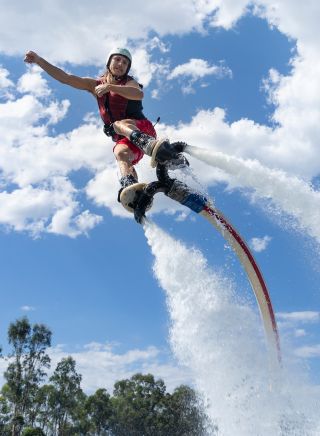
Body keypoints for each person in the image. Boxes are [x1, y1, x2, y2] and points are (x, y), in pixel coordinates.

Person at [24, 48, 187, 201]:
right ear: (109, 63)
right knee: (120, 152)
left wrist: (110, 87)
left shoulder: (129, 82)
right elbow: (66, 78)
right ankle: (132, 188)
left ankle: (148, 144)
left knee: (117, 125)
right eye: (117, 60)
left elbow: (138, 94)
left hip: (142, 129)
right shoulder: (94, 85)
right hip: (126, 140)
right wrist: (39, 60)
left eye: (125, 63)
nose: (120, 64)